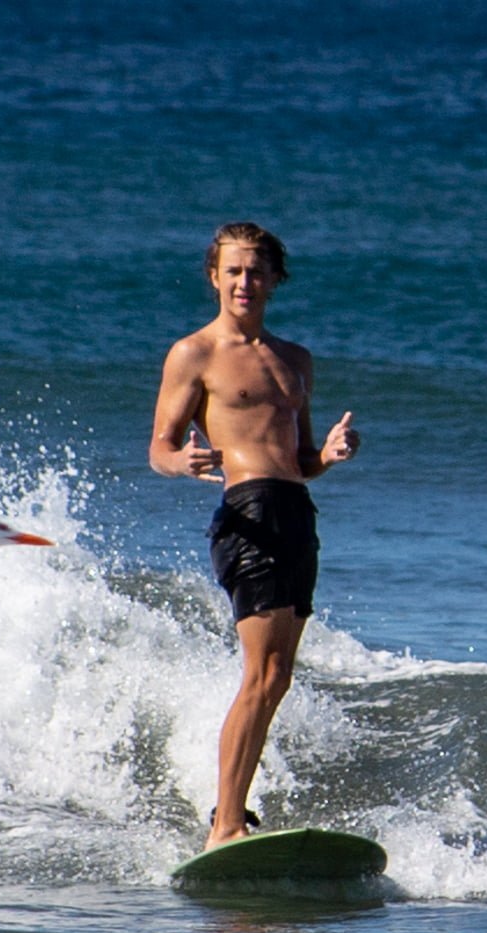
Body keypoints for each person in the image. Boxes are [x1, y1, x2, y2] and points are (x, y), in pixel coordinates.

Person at [148, 221, 360, 851]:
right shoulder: (195, 353)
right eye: (233, 270)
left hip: (296, 510)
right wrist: (180, 462)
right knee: (260, 673)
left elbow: (300, 457)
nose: (245, 281)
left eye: (256, 271)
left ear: (274, 280)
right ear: (215, 276)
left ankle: (232, 810)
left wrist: (330, 452)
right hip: (248, 512)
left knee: (279, 676)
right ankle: (225, 824)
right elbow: (159, 445)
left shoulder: (295, 360)